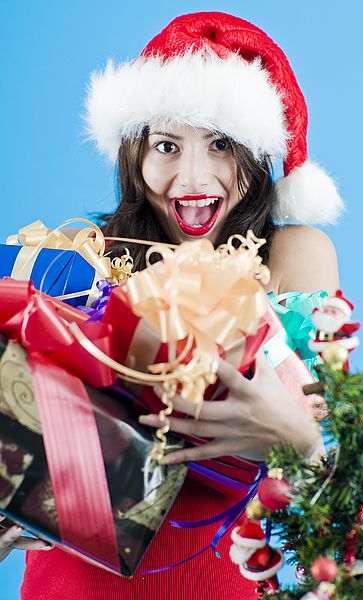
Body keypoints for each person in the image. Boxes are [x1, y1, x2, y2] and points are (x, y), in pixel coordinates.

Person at [1, 11, 344, 599]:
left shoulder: (295, 257)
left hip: (221, 582)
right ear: (134, 156)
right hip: (76, 584)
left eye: (220, 143)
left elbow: (337, 482)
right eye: (167, 145)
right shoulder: (83, 260)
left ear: (258, 154)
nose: (192, 176)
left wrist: (297, 442)